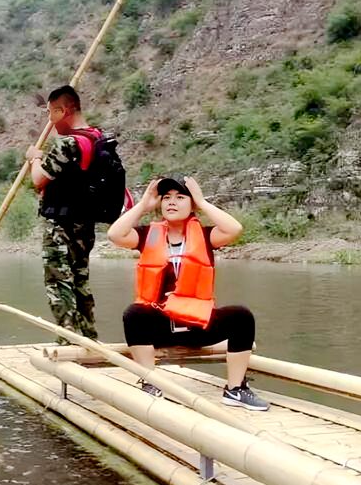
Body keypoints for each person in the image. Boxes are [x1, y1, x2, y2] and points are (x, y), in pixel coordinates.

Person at [107, 174, 270, 411]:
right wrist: (142, 206)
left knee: (241, 316)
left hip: (197, 326)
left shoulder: (205, 236)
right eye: (166, 197)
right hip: (161, 328)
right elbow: (115, 235)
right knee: (134, 314)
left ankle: (235, 390)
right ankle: (150, 382)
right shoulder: (147, 235)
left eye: (180, 197)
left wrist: (202, 202)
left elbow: (235, 228)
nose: (172, 202)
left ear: (191, 204)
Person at [25, 85, 101, 340]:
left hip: (61, 225)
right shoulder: (96, 138)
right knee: (80, 280)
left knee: (58, 282)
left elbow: (39, 179)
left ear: (63, 110)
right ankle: (88, 336)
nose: (50, 119)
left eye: (51, 113)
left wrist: (35, 158)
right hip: (85, 225)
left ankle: (68, 338)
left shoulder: (67, 143)